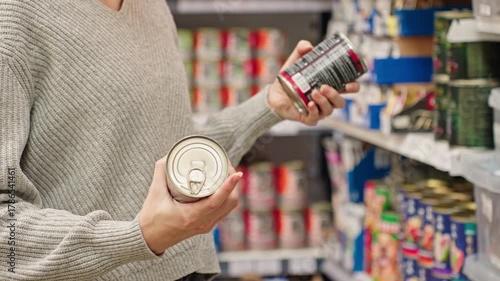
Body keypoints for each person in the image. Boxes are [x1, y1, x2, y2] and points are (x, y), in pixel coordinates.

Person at [0, 0, 359, 280]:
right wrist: (137, 237)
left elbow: (171, 155)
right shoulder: (13, 19)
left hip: (188, 270)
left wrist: (271, 104)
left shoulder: (152, 8)